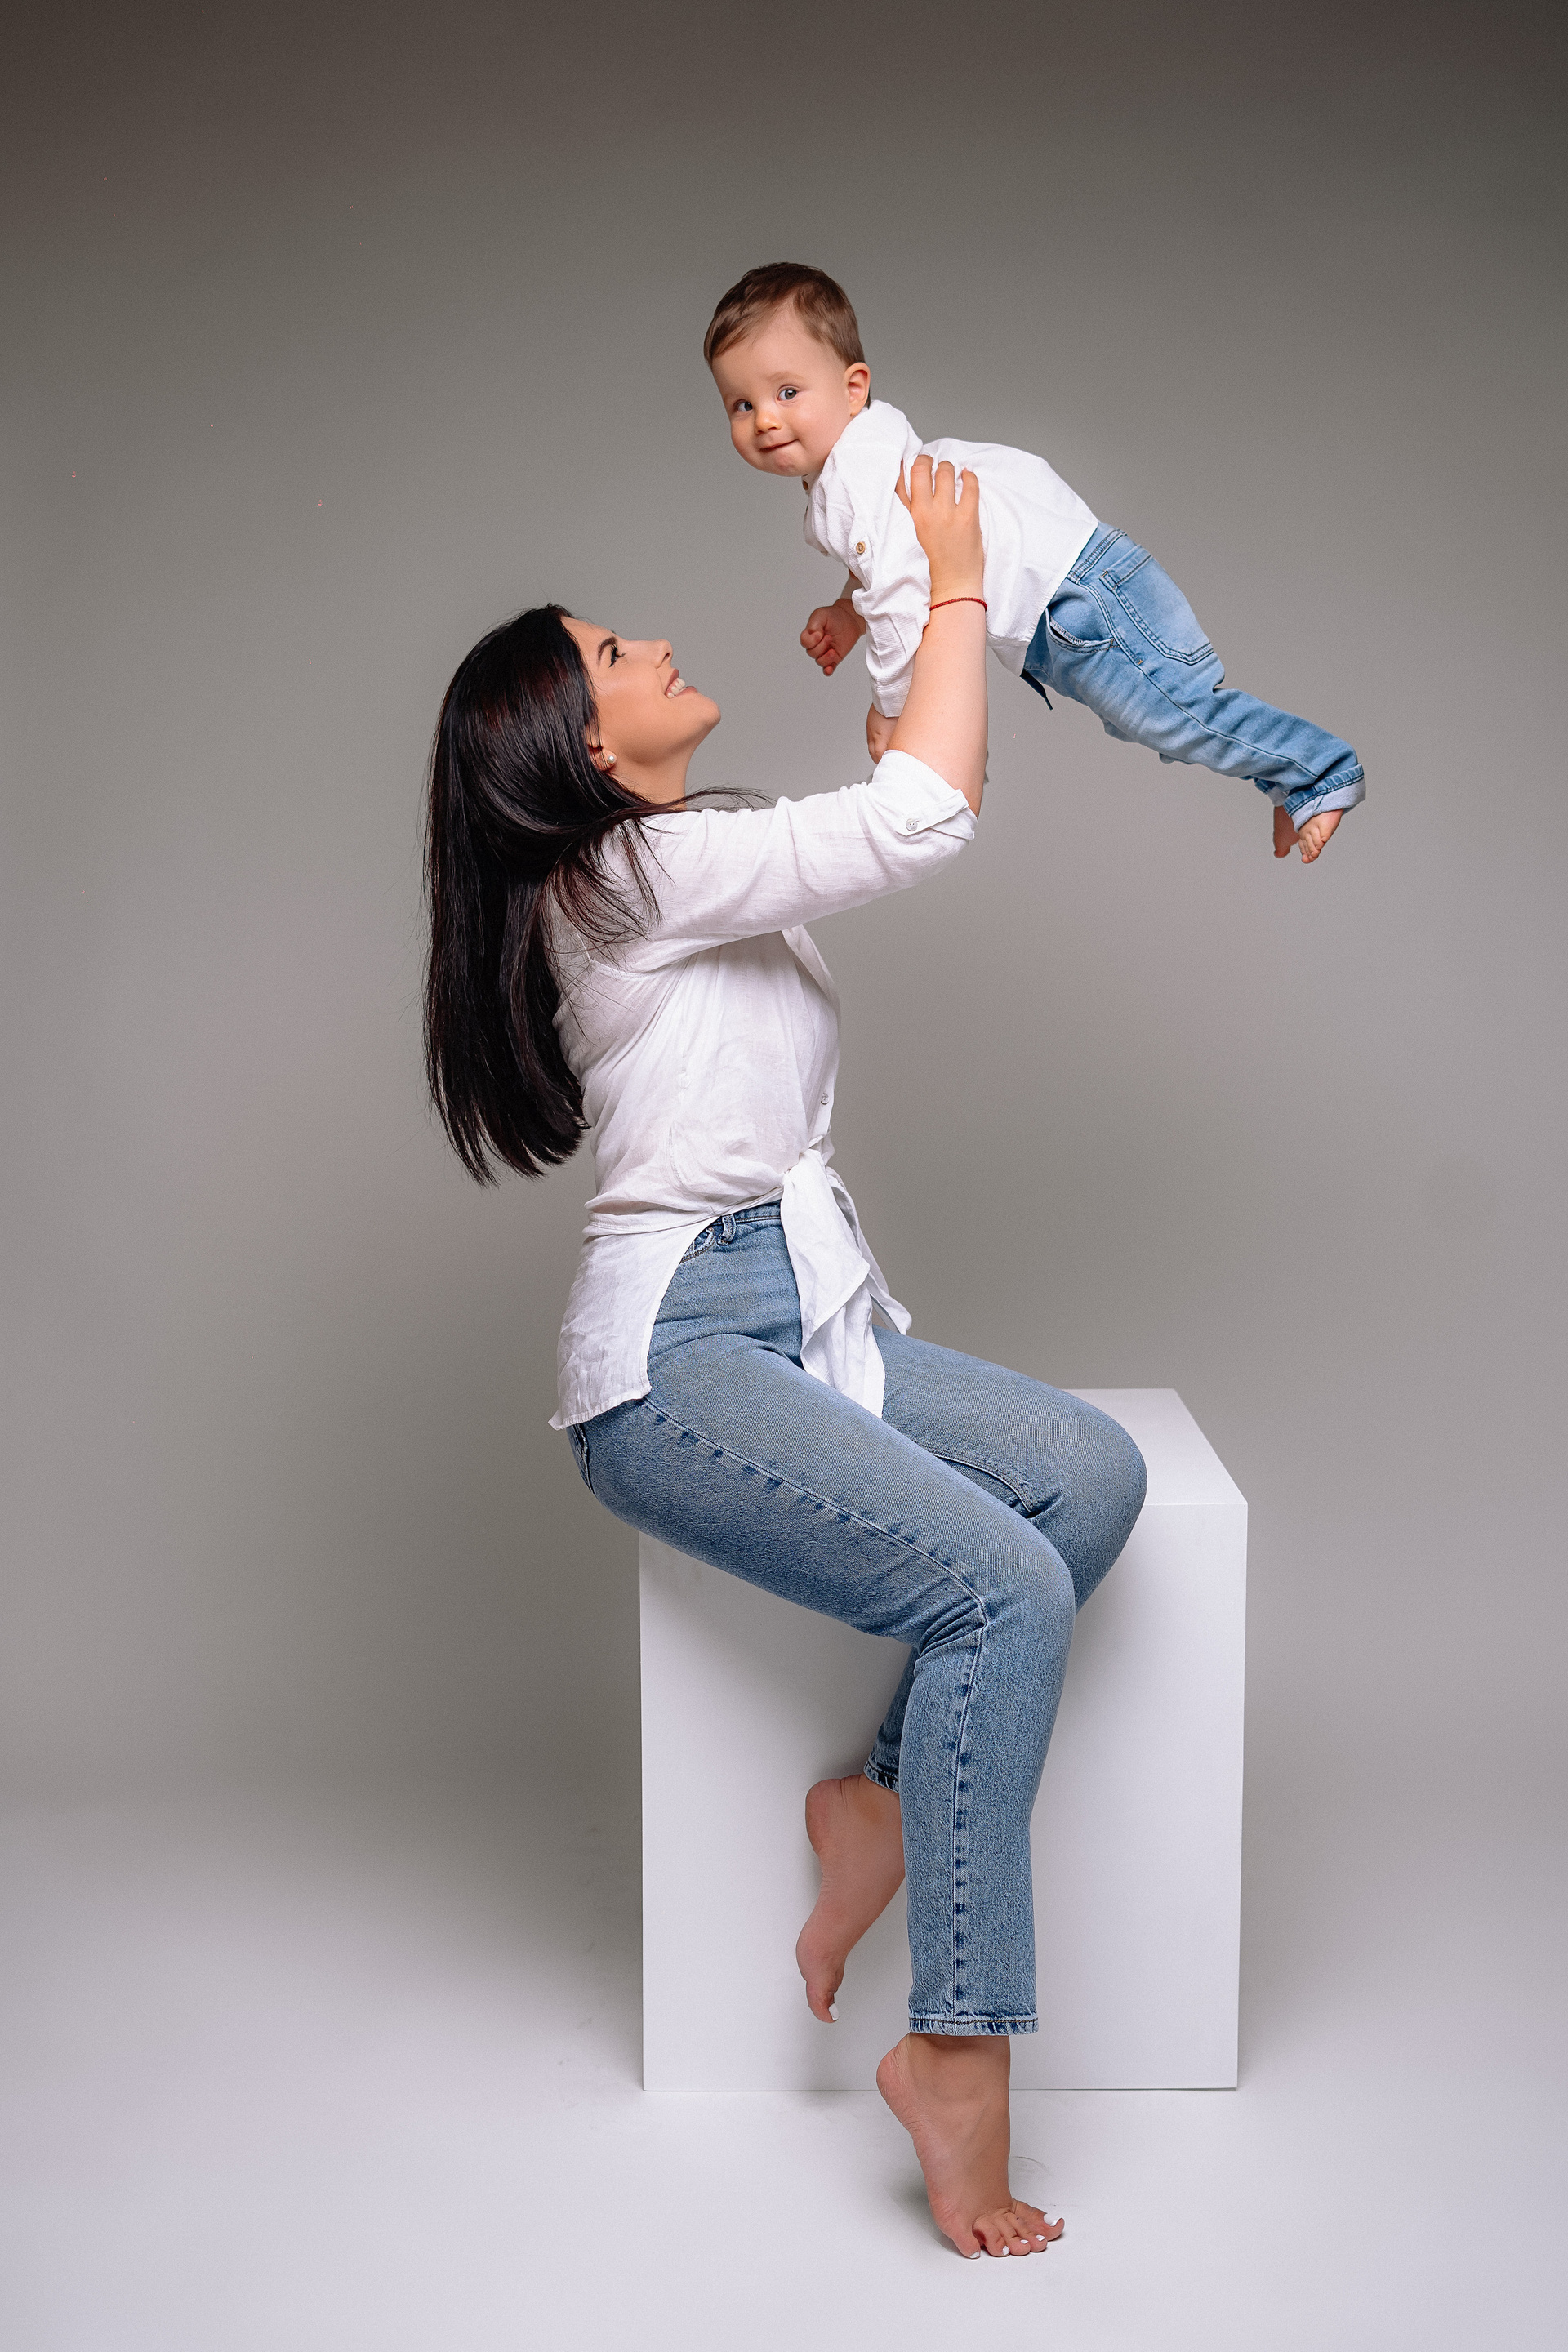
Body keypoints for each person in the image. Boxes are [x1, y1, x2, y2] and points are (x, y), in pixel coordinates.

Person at [423, 457, 1147, 2259]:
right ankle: (954, 2055)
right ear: (584, 746)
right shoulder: (629, 875)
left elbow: (907, 786)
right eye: (615, 653)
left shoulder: (674, 867)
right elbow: (926, 814)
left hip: (796, 1308)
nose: (654, 643)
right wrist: (962, 575)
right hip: (677, 1361)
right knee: (1002, 1593)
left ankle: (875, 1804)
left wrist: (905, 625)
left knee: (1090, 1478)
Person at [706, 261, 1365, 866]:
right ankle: (1289, 778)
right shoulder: (866, 462)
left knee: (1175, 717)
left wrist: (895, 712)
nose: (765, 420)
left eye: (787, 391)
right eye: (742, 404)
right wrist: (848, 614)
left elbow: (900, 594)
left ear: (854, 388)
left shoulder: (856, 478)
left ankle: (1319, 772)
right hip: (1079, 586)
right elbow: (897, 560)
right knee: (1171, 719)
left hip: (1073, 598)